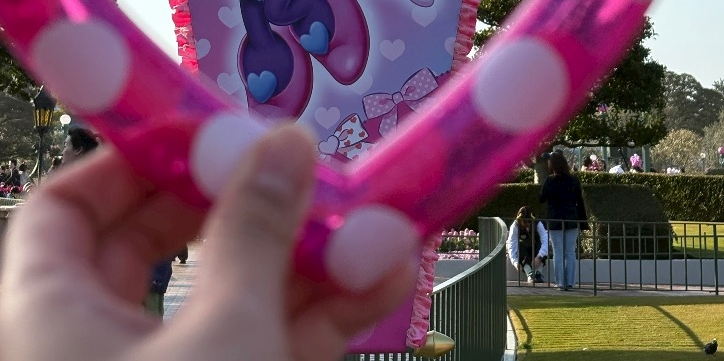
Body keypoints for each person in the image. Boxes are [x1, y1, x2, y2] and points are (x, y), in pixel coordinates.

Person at [0, 124, 415, 359]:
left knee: (145, 307)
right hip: (132, 267)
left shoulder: (94, 187)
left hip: (141, 267)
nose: (64, 154)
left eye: (66, 148)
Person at [539, 151, 587, 291]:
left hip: (555, 220)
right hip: (571, 219)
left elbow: (541, 198)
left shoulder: (550, 181)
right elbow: (580, 201)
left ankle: (560, 283)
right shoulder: (573, 180)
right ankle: (570, 283)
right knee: (570, 252)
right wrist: (583, 221)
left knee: (558, 252)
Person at [508, 206, 548, 283]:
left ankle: (538, 273)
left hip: (536, 248)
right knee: (520, 244)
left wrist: (539, 256)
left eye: (529, 221)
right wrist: (515, 262)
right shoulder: (515, 226)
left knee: (540, 244)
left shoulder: (538, 223)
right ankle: (529, 273)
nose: (527, 224)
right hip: (524, 250)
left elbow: (545, 240)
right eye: (524, 221)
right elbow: (512, 244)